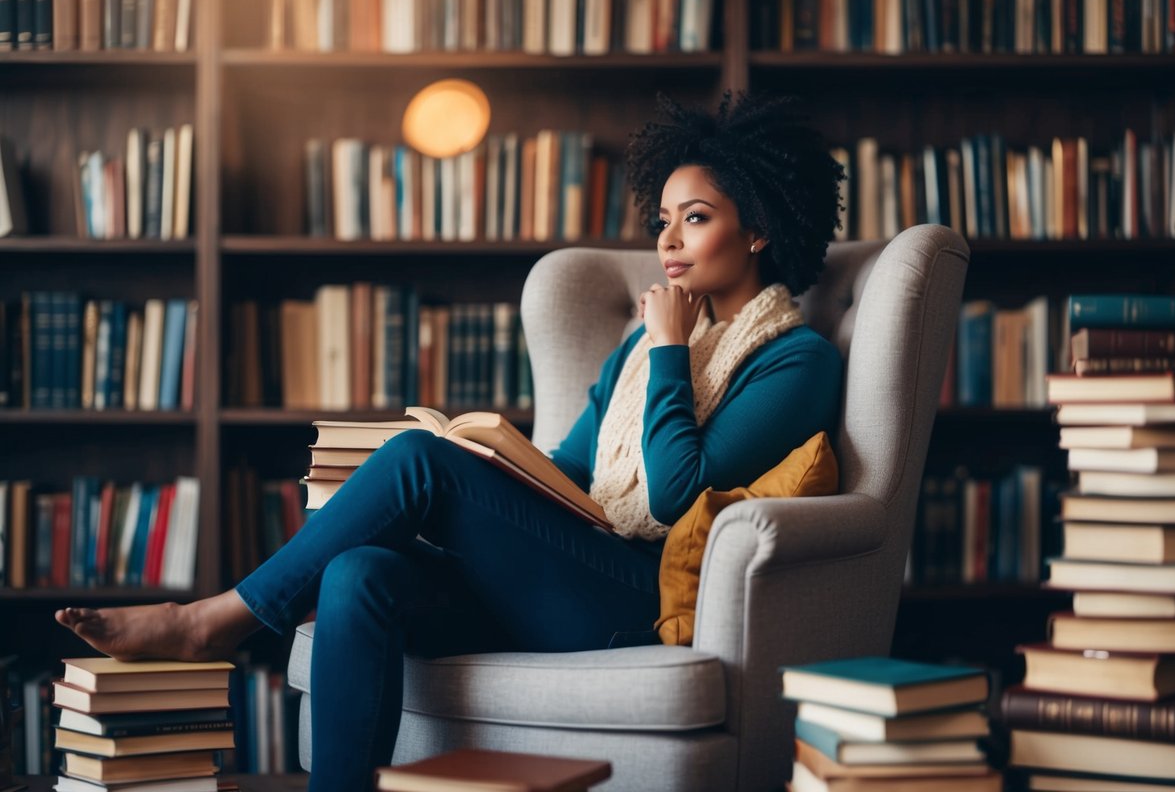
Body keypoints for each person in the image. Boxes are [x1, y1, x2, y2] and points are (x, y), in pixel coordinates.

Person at [54, 90, 845, 790]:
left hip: (633, 603)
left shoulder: (793, 361)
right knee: (359, 572)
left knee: (413, 462)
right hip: (559, 578)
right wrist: (495, 469)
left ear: (758, 232)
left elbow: (679, 495)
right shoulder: (638, 352)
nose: (668, 240)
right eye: (663, 220)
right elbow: (571, 473)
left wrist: (668, 347)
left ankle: (210, 623)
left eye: (695, 219)